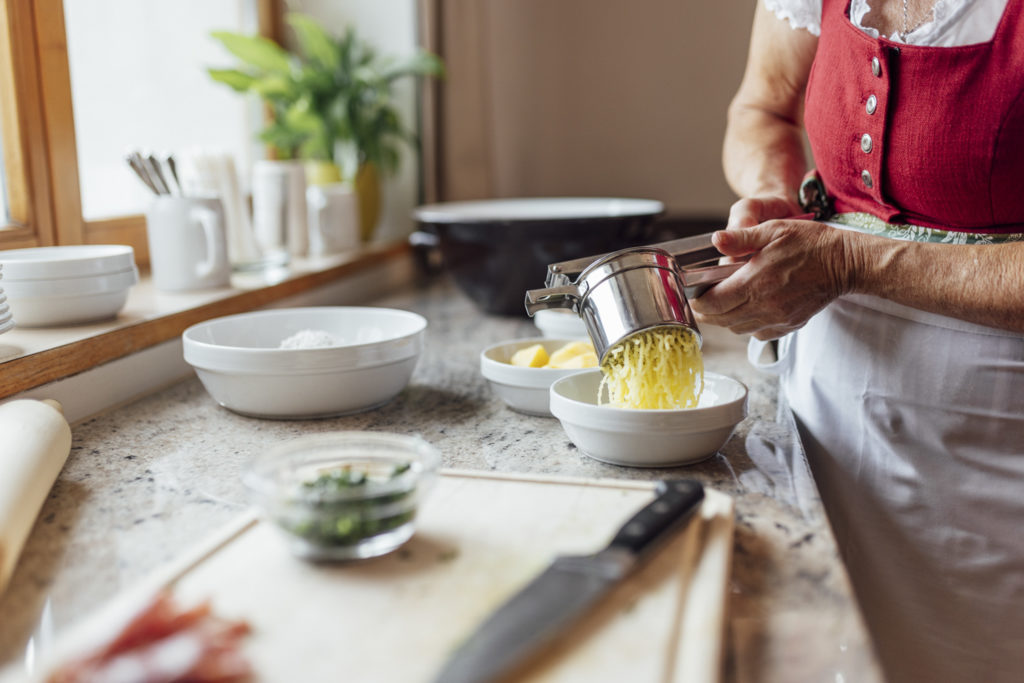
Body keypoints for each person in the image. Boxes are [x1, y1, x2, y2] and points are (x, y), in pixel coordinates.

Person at [690, 1, 1024, 682]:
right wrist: (773, 198)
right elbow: (760, 111)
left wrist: (851, 262)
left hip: (997, 447)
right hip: (829, 419)